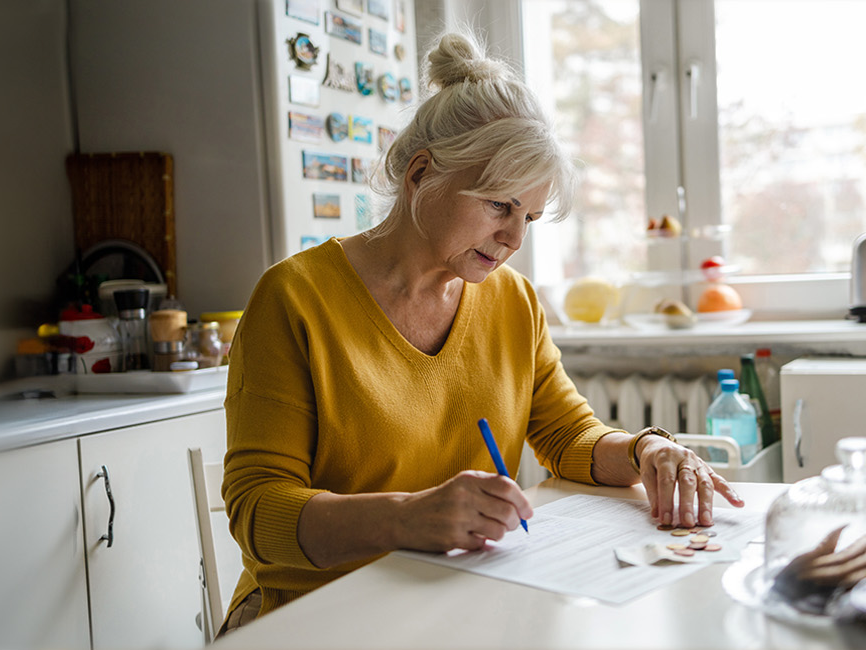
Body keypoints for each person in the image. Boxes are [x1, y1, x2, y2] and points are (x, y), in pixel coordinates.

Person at [218, 31, 745, 633]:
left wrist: (647, 449)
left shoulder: (514, 301)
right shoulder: (295, 299)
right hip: (312, 615)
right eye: (500, 205)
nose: (514, 239)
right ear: (420, 175)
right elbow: (257, 514)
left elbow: (568, 436)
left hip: (449, 601)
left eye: (529, 217)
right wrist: (405, 517)